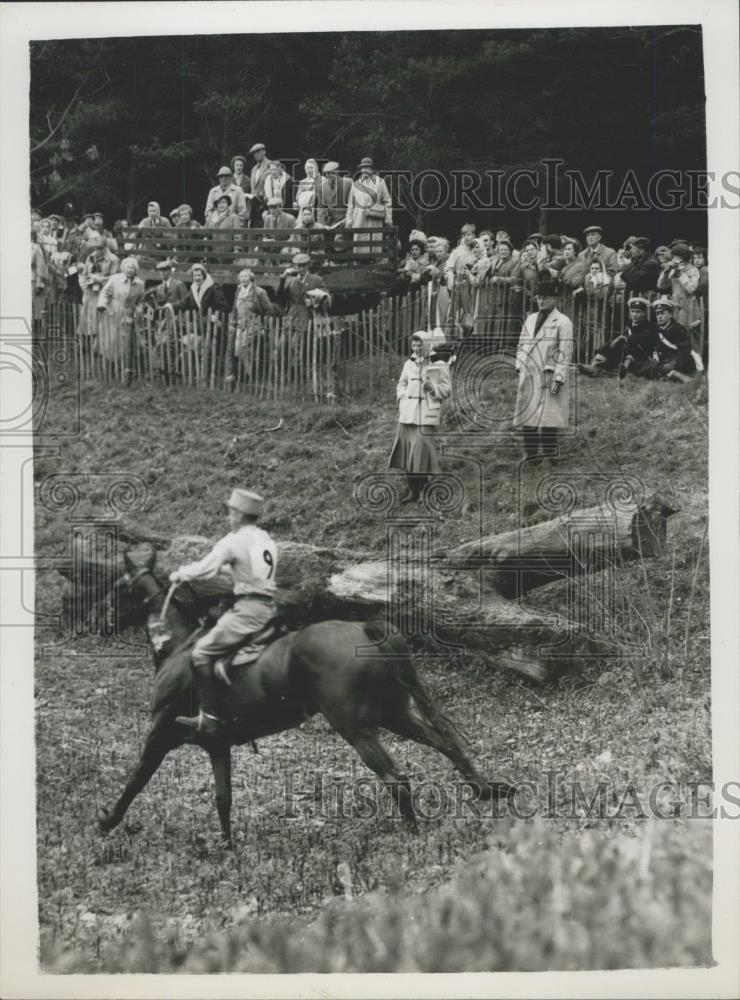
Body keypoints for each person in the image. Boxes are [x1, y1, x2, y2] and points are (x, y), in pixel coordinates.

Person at [171, 489, 278, 734]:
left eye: (231, 512)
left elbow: (205, 569)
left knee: (200, 652)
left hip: (248, 611)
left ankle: (210, 716)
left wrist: (181, 574)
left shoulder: (233, 540)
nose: (228, 518)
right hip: (269, 609)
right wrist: (226, 570)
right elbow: (251, 572)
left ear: (240, 515)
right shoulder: (265, 540)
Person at [513, 275, 573, 462]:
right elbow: (522, 343)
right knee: (527, 412)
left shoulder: (563, 322)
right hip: (529, 371)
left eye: (545, 297)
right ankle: (531, 453)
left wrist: (559, 377)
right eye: (539, 297)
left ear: (555, 299)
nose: (541, 300)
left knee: (549, 416)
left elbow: (565, 351)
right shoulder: (530, 319)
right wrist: (519, 365)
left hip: (547, 373)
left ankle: (550, 452)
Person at [388, 330, 452, 503]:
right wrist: (402, 397)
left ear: (427, 345)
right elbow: (401, 384)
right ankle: (412, 491)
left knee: (420, 454)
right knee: (407, 453)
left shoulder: (438, 364)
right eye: (414, 345)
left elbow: (446, 390)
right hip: (408, 415)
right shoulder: (409, 364)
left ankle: (423, 489)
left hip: (425, 415)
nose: (416, 348)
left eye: (420, 344)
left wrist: (433, 389)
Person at [579, 296, 657, 378]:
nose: (635, 315)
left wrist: (623, 338)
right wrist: (616, 341)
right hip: (628, 353)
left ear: (644, 313)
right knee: (612, 344)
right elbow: (623, 337)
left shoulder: (647, 327)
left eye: (638, 312)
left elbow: (639, 339)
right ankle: (595, 365)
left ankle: (621, 368)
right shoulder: (630, 324)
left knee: (627, 347)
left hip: (640, 357)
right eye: (633, 311)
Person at [97, 256, 147, 378]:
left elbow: (141, 300)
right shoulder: (115, 279)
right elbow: (105, 292)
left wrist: (138, 310)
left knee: (125, 343)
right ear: (123, 268)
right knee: (110, 342)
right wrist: (102, 304)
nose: (129, 270)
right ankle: (108, 369)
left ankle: (124, 368)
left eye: (132, 268)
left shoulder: (140, 284)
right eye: (128, 267)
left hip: (128, 316)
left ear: (135, 270)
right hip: (113, 313)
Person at [228, 267, 277, 379]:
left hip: (254, 324)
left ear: (251, 278)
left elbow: (270, 311)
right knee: (237, 350)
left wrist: (264, 326)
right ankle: (246, 372)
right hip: (241, 325)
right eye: (241, 276)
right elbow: (235, 309)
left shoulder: (259, 292)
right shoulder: (238, 291)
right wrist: (233, 322)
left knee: (243, 347)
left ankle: (249, 374)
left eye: (246, 276)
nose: (243, 279)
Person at [345, 156, 392, 255]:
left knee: (374, 245)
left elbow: (387, 201)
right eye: (362, 168)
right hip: (359, 219)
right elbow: (350, 204)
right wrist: (349, 221)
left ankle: (374, 265)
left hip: (374, 218)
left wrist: (388, 219)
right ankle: (359, 264)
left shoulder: (380, 182)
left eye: (367, 167)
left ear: (372, 169)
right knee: (359, 246)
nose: (364, 170)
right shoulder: (356, 184)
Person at [77, 232, 119, 343]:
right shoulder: (90, 257)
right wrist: (88, 281)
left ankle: (98, 342)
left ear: (105, 248)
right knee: (87, 316)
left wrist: (100, 280)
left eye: (101, 249)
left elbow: (114, 278)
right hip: (90, 291)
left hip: (103, 292)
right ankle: (85, 341)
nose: (98, 251)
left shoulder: (113, 259)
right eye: (96, 248)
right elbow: (84, 274)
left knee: (100, 317)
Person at [276, 252, 330, 337]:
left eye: (302, 266)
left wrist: (313, 302)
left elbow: (326, 297)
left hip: (306, 316)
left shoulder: (316, 280)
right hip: (291, 316)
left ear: (307, 266)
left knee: (296, 345)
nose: (299, 268)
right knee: (281, 345)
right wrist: (283, 277)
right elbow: (280, 298)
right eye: (297, 266)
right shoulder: (290, 280)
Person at [649, 297, 698, 382]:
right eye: (657, 314)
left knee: (663, 368)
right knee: (649, 366)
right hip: (663, 361)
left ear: (670, 314)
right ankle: (670, 374)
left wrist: (674, 364)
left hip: (678, 361)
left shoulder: (678, 329)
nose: (659, 317)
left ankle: (676, 375)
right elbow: (656, 347)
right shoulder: (657, 328)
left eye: (662, 313)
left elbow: (684, 350)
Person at [656, 243, 701, 325]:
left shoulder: (693, 270)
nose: (674, 260)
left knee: (689, 333)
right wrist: (666, 272)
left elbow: (691, 289)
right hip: (675, 306)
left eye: (676, 257)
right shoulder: (673, 269)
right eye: (673, 257)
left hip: (689, 307)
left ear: (683, 259)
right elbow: (661, 285)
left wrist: (681, 275)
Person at [317, 161, 352, 226]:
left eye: (333, 173)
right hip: (329, 222)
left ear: (338, 172)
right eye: (327, 173)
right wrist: (321, 225)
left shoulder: (348, 183)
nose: (330, 175)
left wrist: (348, 220)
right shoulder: (321, 187)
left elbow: (352, 204)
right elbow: (321, 208)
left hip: (345, 221)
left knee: (339, 236)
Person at [248, 142, 271, 226]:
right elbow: (253, 188)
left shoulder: (271, 165)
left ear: (264, 152)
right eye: (254, 154)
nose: (256, 155)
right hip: (254, 205)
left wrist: (263, 194)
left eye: (258, 152)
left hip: (266, 204)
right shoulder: (253, 169)